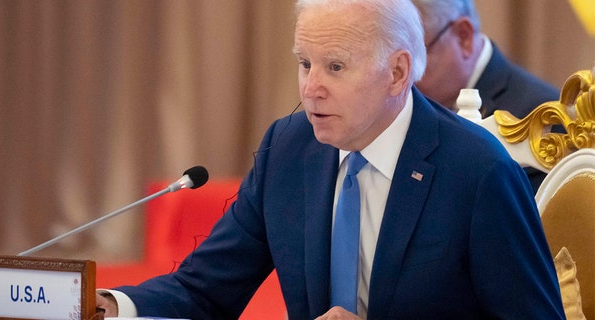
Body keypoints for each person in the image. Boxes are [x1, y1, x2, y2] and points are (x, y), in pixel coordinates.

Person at [97, 0, 565, 318]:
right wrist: (110, 305)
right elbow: (205, 289)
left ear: (397, 72)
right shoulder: (288, 148)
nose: (310, 88)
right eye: (305, 63)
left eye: (335, 67)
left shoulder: (478, 172)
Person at [411, 0, 561, 192]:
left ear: (463, 37)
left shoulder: (542, 117)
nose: (406, 75)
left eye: (416, 55)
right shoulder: (415, 107)